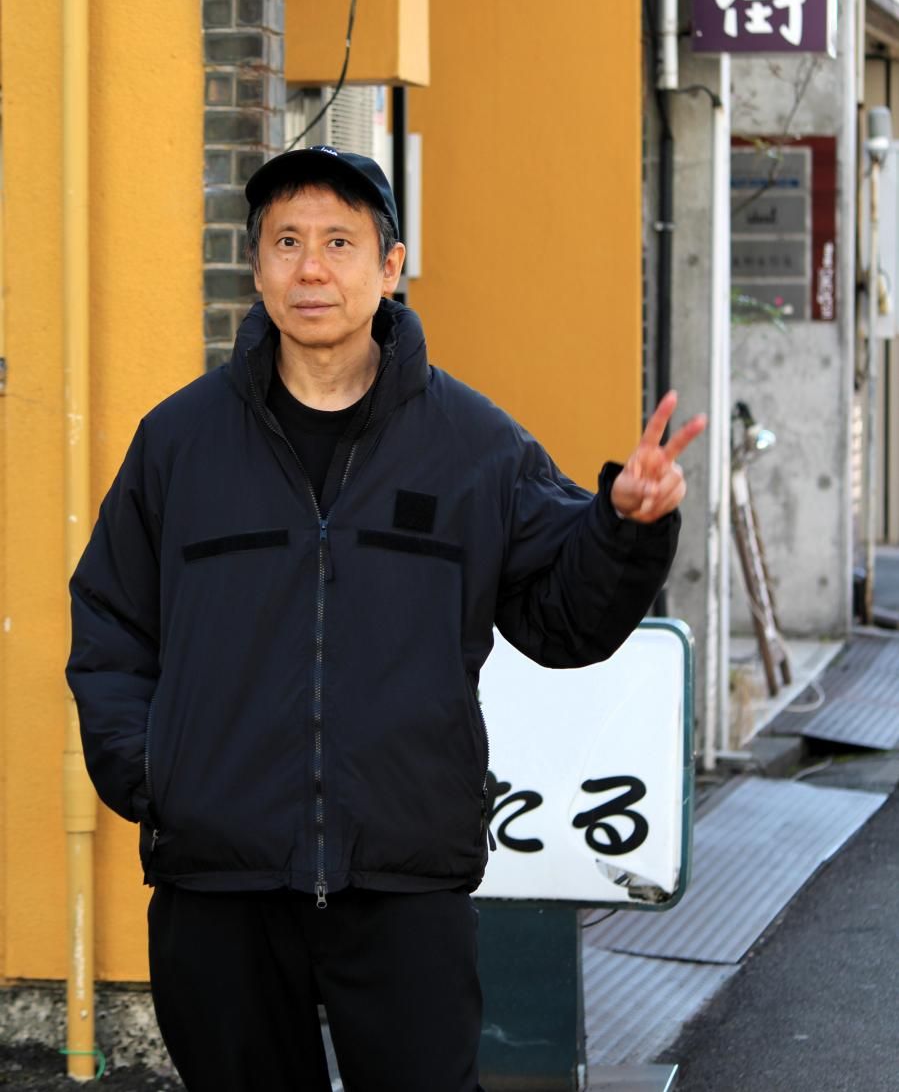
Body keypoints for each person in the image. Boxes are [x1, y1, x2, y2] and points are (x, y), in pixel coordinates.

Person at [66, 145, 706, 1092]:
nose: (311, 269)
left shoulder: (473, 445)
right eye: (286, 242)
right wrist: (157, 775)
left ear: (390, 265)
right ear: (256, 266)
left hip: (404, 876)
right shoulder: (179, 442)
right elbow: (111, 623)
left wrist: (625, 526)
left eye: (339, 242)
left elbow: (563, 622)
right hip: (218, 877)